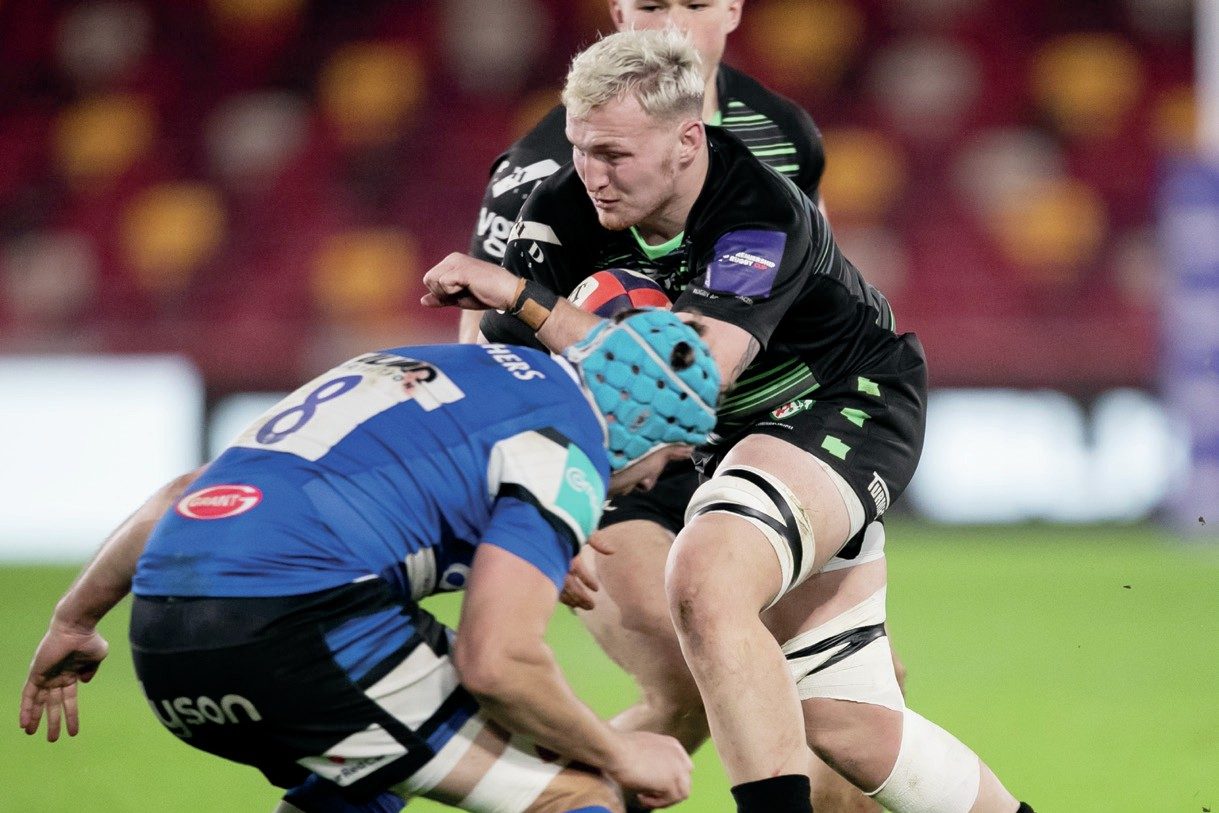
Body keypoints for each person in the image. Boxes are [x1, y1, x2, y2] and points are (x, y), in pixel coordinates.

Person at [422, 29, 1036, 813]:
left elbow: (688, 380)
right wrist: (541, 503)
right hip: (730, 442)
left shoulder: (758, 208)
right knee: (847, 724)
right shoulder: (560, 211)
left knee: (705, 577)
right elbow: (517, 382)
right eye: (579, 148)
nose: (591, 173)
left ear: (687, 141)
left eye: (614, 154)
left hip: (841, 402)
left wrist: (525, 299)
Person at [19, 311, 721, 813]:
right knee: (577, 790)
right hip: (296, 629)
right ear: (643, 427)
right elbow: (498, 662)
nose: (650, 484)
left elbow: (186, 491)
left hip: (163, 647)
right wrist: (618, 751)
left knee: (369, 771)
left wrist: (74, 621)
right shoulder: (568, 446)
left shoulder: (439, 368)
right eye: (666, 461)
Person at [464, 4, 890, 811]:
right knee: (701, 680)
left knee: (838, 715)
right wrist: (534, 496)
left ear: (732, 8)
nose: (671, 23)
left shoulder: (779, 132)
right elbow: (491, 341)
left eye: (693, 2)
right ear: (616, 11)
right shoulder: (544, 166)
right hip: (616, 461)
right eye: (652, 3)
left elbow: (799, 282)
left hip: (749, 435)